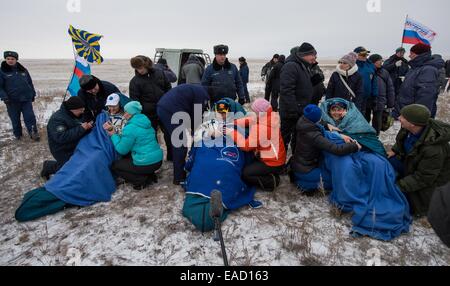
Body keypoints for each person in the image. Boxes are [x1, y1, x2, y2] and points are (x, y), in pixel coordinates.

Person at [388, 104, 450, 217]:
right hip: (411, 166)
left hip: (428, 186)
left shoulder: (434, 149)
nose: (399, 118)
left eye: (403, 117)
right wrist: (394, 150)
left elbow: (423, 178)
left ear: (412, 124)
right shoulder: (409, 129)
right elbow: (401, 142)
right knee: (385, 162)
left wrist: (397, 186)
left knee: (394, 201)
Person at [291, 104, 360, 194]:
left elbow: (318, 123)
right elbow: (336, 149)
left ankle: (299, 178)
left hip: (300, 165)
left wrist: (327, 125)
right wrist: (354, 146)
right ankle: (302, 183)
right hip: (306, 170)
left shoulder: (304, 122)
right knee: (333, 180)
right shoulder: (314, 135)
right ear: (316, 119)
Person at [157, 84, 215, 185]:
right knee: (180, 142)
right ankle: (179, 177)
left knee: (170, 135)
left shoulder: (197, 89)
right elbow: (196, 117)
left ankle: (171, 157)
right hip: (172, 110)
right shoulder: (202, 95)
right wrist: (198, 133)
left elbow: (193, 115)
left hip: (162, 106)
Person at [225, 98, 286, 191]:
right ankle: (271, 172)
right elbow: (251, 120)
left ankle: (272, 181)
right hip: (276, 157)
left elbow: (246, 146)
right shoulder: (269, 116)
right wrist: (233, 123)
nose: (253, 113)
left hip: (273, 162)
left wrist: (232, 132)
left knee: (246, 174)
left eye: (254, 111)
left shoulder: (262, 128)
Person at [105, 101, 163, 190]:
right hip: (158, 160)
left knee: (115, 166)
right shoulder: (146, 122)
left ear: (131, 113)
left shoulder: (130, 127)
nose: (124, 115)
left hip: (146, 162)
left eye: (126, 112)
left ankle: (141, 180)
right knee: (132, 157)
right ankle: (150, 175)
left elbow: (121, 150)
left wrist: (113, 134)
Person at [40, 96, 93, 179]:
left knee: (82, 163)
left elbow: (78, 126)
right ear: (73, 109)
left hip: (74, 144)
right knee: (70, 169)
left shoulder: (75, 114)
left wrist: (88, 127)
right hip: (61, 149)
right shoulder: (57, 119)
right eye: (81, 110)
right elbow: (61, 137)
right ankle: (48, 166)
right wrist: (82, 128)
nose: (83, 112)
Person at [280, 42, 317, 153]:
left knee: (298, 138)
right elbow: (287, 91)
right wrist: (293, 110)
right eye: (313, 55)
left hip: (300, 110)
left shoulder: (302, 65)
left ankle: (294, 163)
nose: (315, 58)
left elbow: (302, 85)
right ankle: (278, 164)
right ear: (305, 54)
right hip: (291, 112)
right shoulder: (291, 66)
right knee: (284, 138)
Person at [395, 44, 445, 118]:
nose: (409, 56)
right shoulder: (414, 69)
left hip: (415, 117)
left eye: (412, 53)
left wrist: (417, 118)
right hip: (408, 112)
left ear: (420, 55)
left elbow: (425, 97)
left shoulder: (428, 70)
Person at [0, 51, 40, 141]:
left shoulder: (23, 70)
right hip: (12, 101)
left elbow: (29, 83)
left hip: (26, 99)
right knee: (15, 119)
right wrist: (4, 97)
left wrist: (32, 93)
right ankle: (18, 136)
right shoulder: (2, 71)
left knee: (30, 117)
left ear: (16, 60)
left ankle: (34, 133)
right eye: (8, 59)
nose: (10, 60)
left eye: (12, 59)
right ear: (5, 59)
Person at [367, 54, 395, 135]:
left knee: (378, 121)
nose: (381, 62)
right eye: (378, 61)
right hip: (368, 100)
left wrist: (390, 103)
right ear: (372, 62)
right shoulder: (367, 71)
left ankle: (375, 136)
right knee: (365, 119)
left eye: (381, 60)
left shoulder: (384, 72)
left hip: (380, 100)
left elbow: (390, 88)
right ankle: (365, 136)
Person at [353, 46, 378, 117]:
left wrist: (374, 96)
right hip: (354, 98)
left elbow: (374, 82)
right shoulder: (351, 66)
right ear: (356, 55)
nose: (365, 57)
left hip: (366, 99)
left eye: (366, 55)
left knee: (363, 118)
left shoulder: (370, 66)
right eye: (363, 55)